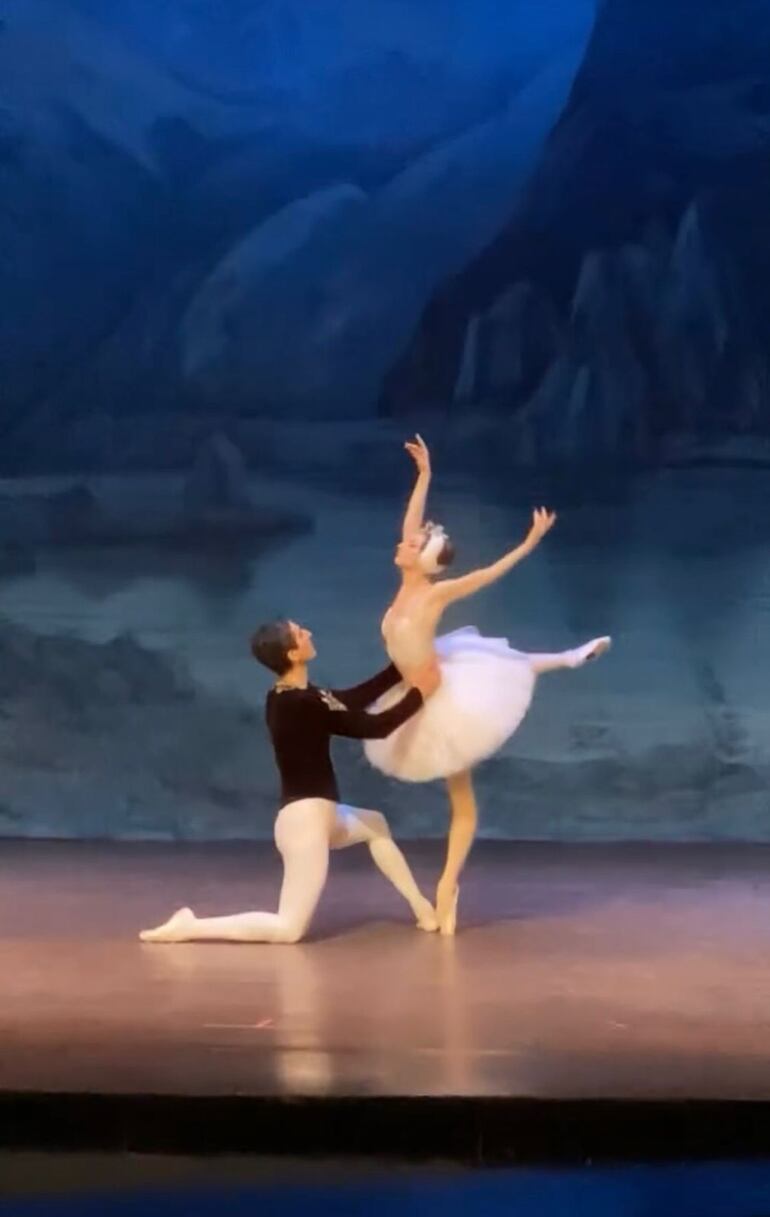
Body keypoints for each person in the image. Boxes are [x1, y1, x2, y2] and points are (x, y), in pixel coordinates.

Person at [364, 435, 611, 936]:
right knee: (496, 659)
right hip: (413, 694)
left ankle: (448, 886)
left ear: (423, 559)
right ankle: (566, 656)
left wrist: (530, 541)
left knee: (464, 796)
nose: (402, 542)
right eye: (406, 541)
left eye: (411, 545)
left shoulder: (435, 595)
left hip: (440, 701)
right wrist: (425, 474)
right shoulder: (405, 585)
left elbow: (488, 574)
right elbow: (412, 522)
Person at [140, 619, 439, 944]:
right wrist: (421, 692)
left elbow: (352, 699)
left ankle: (421, 907)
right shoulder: (295, 704)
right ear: (294, 653)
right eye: (300, 633)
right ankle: (191, 927)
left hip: (321, 815)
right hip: (304, 822)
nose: (309, 632)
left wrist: (403, 667)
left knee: (375, 825)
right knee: (288, 929)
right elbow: (374, 726)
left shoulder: (302, 697)